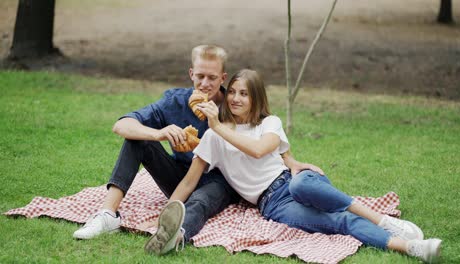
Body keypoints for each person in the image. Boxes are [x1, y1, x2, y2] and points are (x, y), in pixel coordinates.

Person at [147, 69, 442, 263]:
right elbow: (189, 180)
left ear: (256, 98)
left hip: (293, 181)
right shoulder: (214, 136)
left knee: (301, 182)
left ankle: (382, 221)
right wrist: (167, 215)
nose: (236, 98)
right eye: (233, 91)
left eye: (244, 93)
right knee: (341, 222)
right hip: (272, 203)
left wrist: (216, 125)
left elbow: (260, 150)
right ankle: (413, 248)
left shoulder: (269, 123)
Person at [73, 45, 314, 248]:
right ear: (191, 73)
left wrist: (290, 160)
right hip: (179, 177)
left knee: (201, 201)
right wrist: (159, 134)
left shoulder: (234, 105)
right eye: (200, 76)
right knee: (137, 139)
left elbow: (264, 131)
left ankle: (175, 235)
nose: (205, 83)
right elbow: (122, 125)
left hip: (220, 181)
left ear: (223, 77)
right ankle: (107, 215)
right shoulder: (174, 101)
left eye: (212, 77)